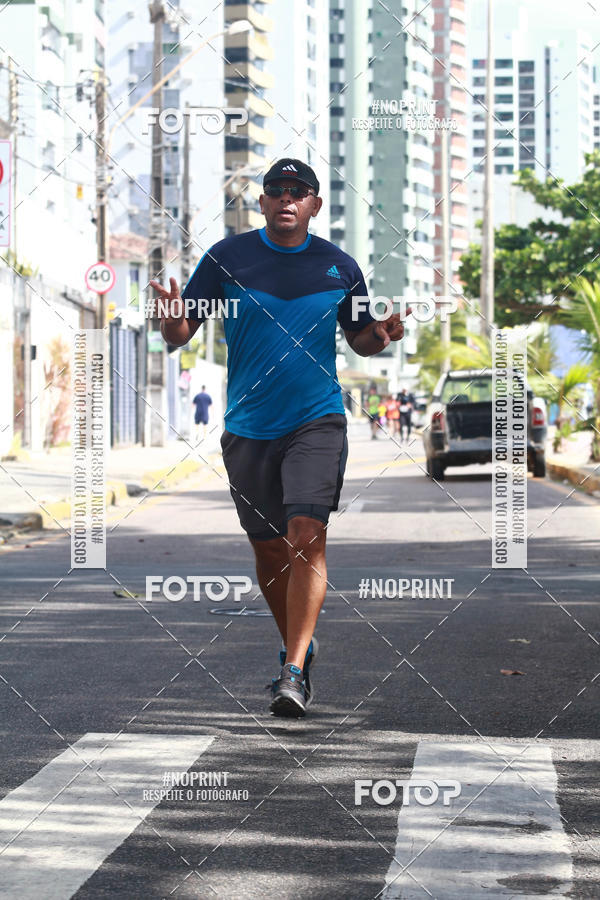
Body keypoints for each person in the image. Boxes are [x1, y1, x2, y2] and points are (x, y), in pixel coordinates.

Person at [151, 158, 408, 718]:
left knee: (305, 533)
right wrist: (169, 321)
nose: (287, 198)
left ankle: (292, 671)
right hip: (248, 427)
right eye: (276, 191)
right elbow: (179, 334)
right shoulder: (227, 259)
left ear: (315, 205)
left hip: (316, 419)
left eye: (299, 192)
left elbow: (361, 339)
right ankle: (301, 637)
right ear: (262, 202)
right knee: (269, 549)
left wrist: (382, 336)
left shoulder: (340, 268)